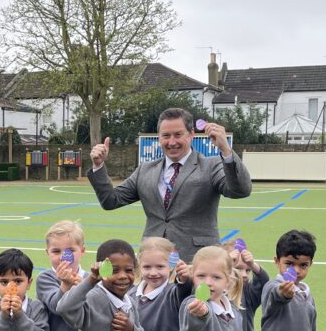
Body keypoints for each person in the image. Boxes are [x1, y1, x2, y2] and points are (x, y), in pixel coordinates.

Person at [86, 107, 252, 254]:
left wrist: (226, 150)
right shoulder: (145, 170)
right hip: (153, 260)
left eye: (178, 135)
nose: (172, 142)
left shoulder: (211, 165)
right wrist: (98, 166)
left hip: (197, 261)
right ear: (159, 137)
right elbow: (110, 201)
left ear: (191, 134)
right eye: (166, 136)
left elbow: (241, 190)